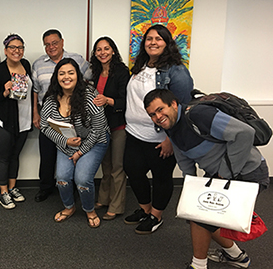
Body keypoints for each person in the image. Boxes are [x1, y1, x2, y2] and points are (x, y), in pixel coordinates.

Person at [144, 89, 269, 269]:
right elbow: (184, 160)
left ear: (173, 104)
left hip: (248, 171)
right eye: (152, 115)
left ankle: (199, 265)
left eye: (160, 109)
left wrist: (224, 174)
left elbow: (244, 134)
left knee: (202, 219)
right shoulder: (172, 127)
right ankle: (237, 257)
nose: (158, 117)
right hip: (220, 175)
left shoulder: (199, 115)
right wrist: (190, 190)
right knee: (199, 212)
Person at [123, 24, 193, 234]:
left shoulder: (176, 70)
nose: (153, 42)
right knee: (133, 172)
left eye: (158, 39)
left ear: (167, 43)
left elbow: (183, 108)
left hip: (160, 137)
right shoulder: (140, 65)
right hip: (134, 133)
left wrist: (171, 139)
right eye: (149, 39)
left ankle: (156, 216)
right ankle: (145, 209)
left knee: (161, 177)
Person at [40, 58, 109, 228]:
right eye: (62, 73)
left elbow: (99, 128)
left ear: (77, 75)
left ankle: (89, 210)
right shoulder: (50, 99)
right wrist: (65, 141)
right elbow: (44, 126)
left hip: (95, 141)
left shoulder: (89, 95)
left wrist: (80, 151)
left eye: (71, 73)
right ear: (56, 77)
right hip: (67, 144)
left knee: (82, 179)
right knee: (62, 178)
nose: (66, 77)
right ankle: (69, 207)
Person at [32, 29, 89, 202]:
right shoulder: (38, 64)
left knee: (72, 151)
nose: (51, 47)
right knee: (47, 153)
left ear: (62, 42)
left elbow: (90, 80)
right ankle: (46, 187)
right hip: (47, 116)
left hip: (73, 117)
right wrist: (35, 113)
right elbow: (35, 91)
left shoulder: (77, 60)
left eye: (55, 43)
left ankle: (71, 187)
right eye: (47, 44)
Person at [0, 34, 33, 209]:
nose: (17, 51)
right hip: (3, 120)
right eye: (12, 47)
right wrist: (5, 92)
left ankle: (13, 188)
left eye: (20, 47)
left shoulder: (26, 65)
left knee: (15, 155)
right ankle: (3, 192)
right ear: (6, 50)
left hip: (23, 119)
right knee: (4, 157)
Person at [90, 37, 130, 220]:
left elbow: (126, 100)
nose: (102, 52)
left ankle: (116, 205)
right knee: (105, 166)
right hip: (100, 126)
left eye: (106, 49)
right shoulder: (95, 71)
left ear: (113, 50)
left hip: (118, 125)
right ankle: (104, 199)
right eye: (99, 49)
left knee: (117, 167)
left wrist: (107, 100)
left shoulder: (122, 71)